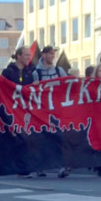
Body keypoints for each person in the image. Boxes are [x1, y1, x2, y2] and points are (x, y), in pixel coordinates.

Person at [32, 46, 69, 176]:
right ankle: (41, 166)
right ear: (43, 55)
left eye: (54, 54)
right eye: (50, 53)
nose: (53, 56)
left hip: (58, 109)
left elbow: (67, 86)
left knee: (59, 137)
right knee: (43, 138)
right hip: (43, 109)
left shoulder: (59, 71)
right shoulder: (36, 73)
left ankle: (60, 166)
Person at [2, 47, 37, 178]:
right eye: (26, 55)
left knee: (26, 138)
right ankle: (18, 166)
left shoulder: (31, 71)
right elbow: (2, 88)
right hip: (13, 109)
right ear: (19, 56)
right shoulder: (8, 72)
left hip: (27, 110)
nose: (29, 57)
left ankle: (24, 167)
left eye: (29, 55)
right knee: (17, 139)